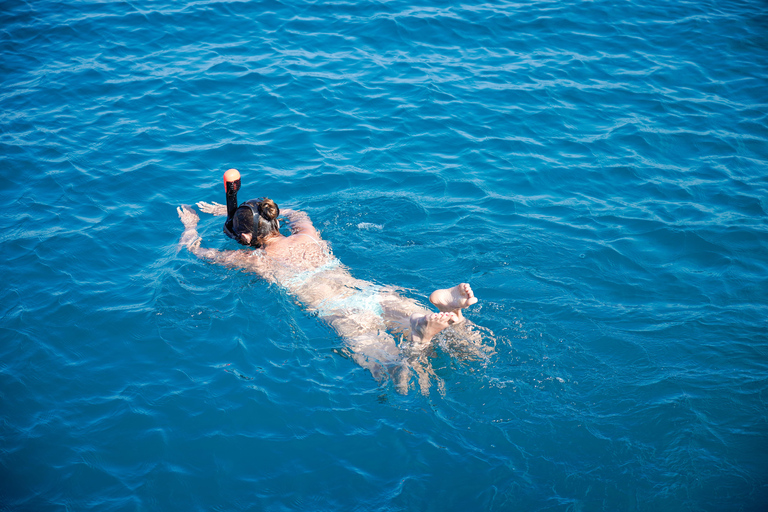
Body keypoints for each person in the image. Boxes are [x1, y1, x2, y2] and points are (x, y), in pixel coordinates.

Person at [177, 169, 481, 394]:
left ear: (244, 238)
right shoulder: (306, 234)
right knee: (461, 338)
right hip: (368, 292)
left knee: (397, 377)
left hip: (340, 311)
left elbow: (200, 252)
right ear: (277, 221)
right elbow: (298, 211)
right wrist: (229, 210)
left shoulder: (257, 260)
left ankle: (419, 340)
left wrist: (191, 226)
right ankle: (452, 311)